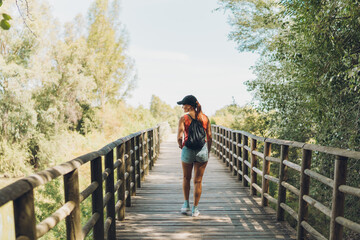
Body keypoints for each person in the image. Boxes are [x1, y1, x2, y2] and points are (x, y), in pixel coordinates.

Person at [176, 95, 212, 217]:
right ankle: (195, 209)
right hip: (202, 151)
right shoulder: (205, 118)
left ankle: (186, 205)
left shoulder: (184, 118)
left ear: (190, 105)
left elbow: (179, 136)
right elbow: (210, 136)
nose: (182, 107)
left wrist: (181, 145)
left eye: (184, 104)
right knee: (198, 181)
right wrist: (208, 150)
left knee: (186, 178)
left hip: (188, 150)